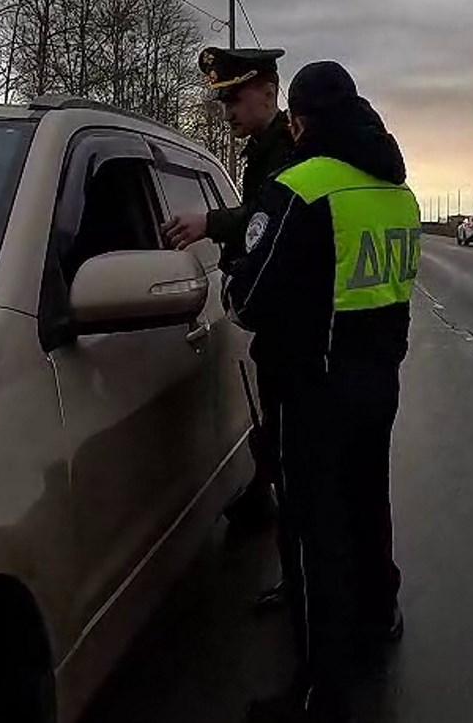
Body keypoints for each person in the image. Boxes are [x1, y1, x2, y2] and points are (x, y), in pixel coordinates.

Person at [225, 60, 418, 723]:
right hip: (379, 381)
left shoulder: (301, 187)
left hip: (315, 388)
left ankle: (321, 692)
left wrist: (235, 284)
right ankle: (380, 615)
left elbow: (250, 298)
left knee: (314, 535)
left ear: (301, 121)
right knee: (369, 503)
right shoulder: (398, 192)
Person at [163, 45, 298, 606]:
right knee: (278, 441)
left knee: (295, 456)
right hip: (276, 324)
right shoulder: (265, 149)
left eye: (236, 99)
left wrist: (210, 223)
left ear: (268, 91)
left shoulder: (288, 150)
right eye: (223, 103)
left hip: (293, 329)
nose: (228, 113)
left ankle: (303, 588)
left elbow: (273, 217)